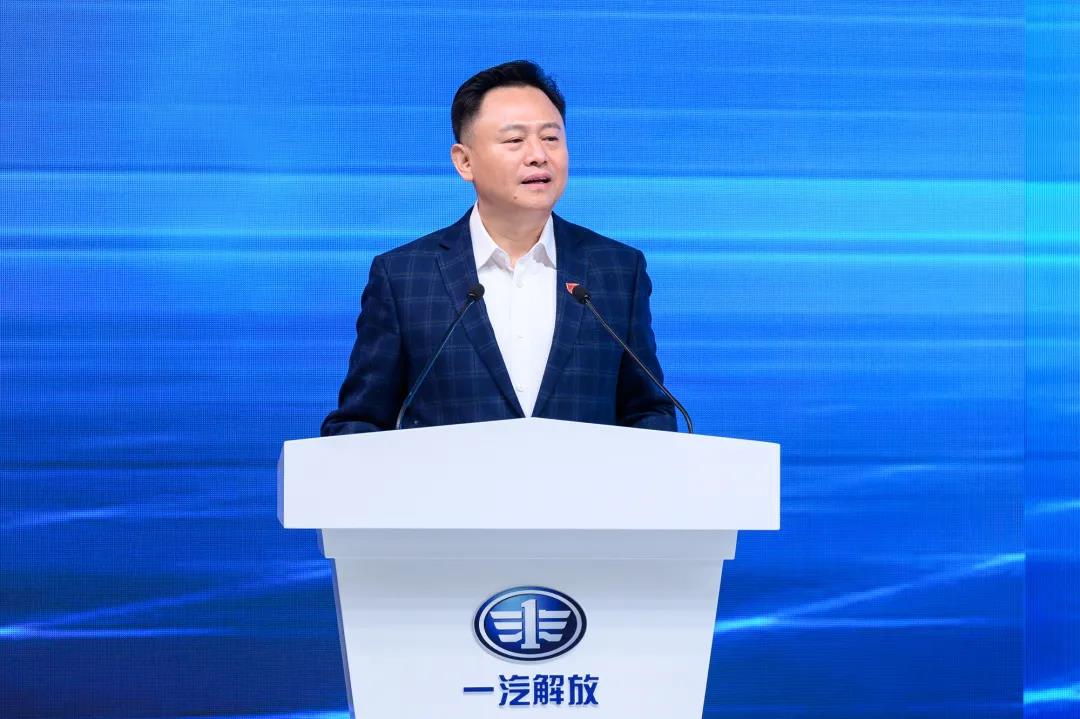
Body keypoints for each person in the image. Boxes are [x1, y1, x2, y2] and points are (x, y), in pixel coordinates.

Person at [321, 60, 675, 435]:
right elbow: (360, 420)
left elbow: (648, 411)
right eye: (514, 140)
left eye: (551, 138)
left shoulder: (617, 270)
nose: (538, 155)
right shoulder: (404, 277)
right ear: (464, 161)